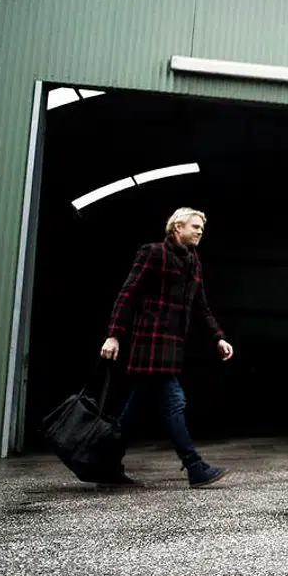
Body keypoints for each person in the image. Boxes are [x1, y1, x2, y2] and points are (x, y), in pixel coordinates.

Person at [100, 207, 233, 487]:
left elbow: (201, 307)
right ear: (177, 228)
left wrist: (218, 337)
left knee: (133, 410)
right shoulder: (153, 253)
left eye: (201, 228)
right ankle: (194, 466)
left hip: (172, 348)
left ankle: (106, 466)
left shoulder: (194, 262)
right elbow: (127, 295)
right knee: (174, 402)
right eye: (194, 226)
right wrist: (114, 335)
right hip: (149, 344)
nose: (200, 231)